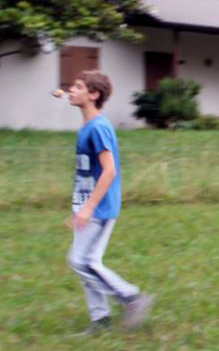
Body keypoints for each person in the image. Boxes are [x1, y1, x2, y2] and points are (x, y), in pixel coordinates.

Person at [65, 71, 154, 333]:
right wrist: (80, 207)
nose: (71, 90)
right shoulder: (86, 127)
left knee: (82, 261)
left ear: (93, 94)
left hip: (99, 208)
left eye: (78, 86)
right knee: (87, 262)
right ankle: (101, 320)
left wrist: (89, 208)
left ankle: (131, 298)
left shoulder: (98, 127)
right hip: (86, 205)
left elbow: (110, 170)